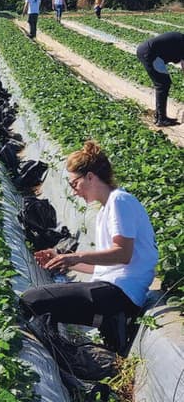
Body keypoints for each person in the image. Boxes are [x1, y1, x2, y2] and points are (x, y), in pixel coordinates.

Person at [20, 141, 158, 353]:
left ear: (91, 177)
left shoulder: (120, 201)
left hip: (121, 293)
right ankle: (107, 323)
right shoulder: (106, 209)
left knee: (32, 300)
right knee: (36, 301)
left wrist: (75, 257)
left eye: (75, 184)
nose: (74, 192)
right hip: (111, 288)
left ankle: (107, 323)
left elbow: (123, 254)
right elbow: (104, 267)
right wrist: (62, 260)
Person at [136, 32, 184, 127]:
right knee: (162, 84)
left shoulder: (181, 40)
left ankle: (159, 116)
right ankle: (161, 119)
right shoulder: (182, 42)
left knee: (163, 83)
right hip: (150, 53)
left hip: (149, 52)